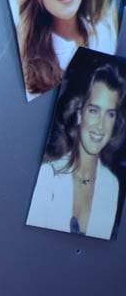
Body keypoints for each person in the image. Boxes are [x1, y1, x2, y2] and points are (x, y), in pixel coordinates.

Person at [27, 62, 125, 239]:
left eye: (110, 114)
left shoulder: (112, 185)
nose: (101, 125)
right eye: (94, 110)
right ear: (80, 114)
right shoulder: (48, 174)